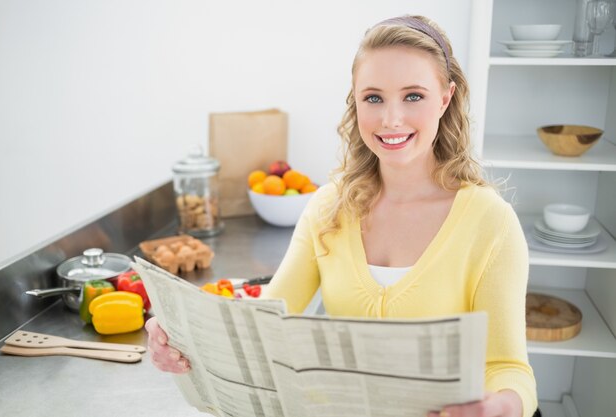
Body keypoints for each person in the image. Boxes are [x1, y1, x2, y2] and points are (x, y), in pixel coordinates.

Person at [146, 14, 538, 417]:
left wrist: (499, 408)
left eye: (413, 96)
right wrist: (180, 337)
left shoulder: (491, 221)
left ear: (445, 98)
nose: (391, 119)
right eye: (373, 98)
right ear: (355, 101)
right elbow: (264, 324)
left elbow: (509, 368)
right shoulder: (329, 207)